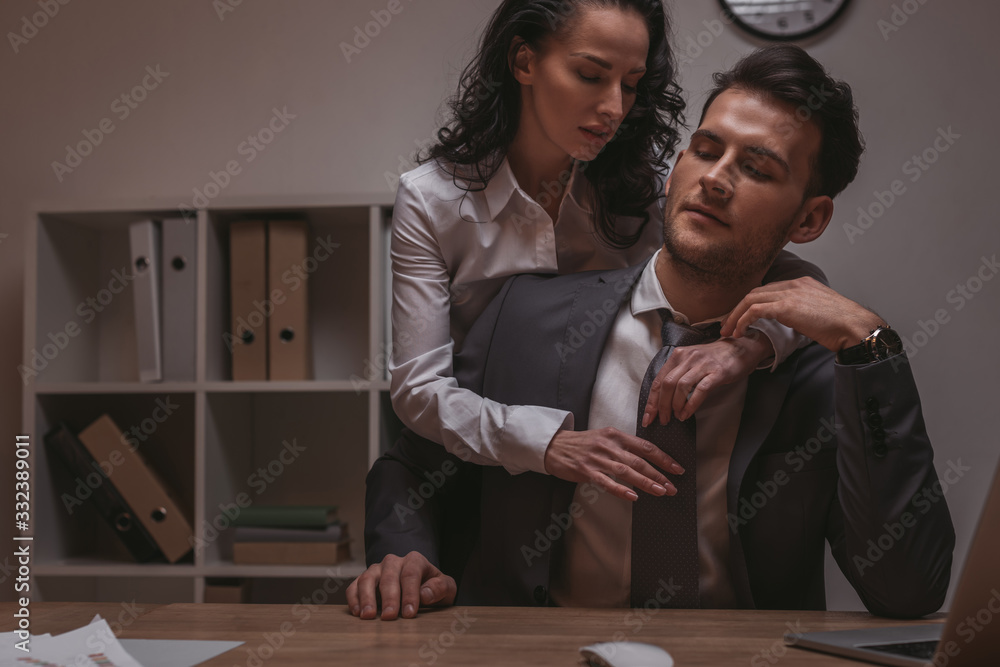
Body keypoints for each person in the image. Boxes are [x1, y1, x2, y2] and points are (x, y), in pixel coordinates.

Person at [350, 44, 955, 621]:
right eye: (705, 149)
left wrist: (874, 345)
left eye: (756, 168)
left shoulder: (825, 372)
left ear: (809, 218)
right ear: (674, 170)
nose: (716, 179)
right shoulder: (525, 316)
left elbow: (907, 590)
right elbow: (411, 467)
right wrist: (407, 554)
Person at [389, 0, 825, 503]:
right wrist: (550, 443)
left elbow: (799, 285)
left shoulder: (648, 185)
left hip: (621, 467)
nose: (615, 108)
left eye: (631, 84)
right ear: (524, 62)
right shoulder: (431, 200)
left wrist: (746, 347)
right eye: (590, 75)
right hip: (479, 470)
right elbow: (419, 391)